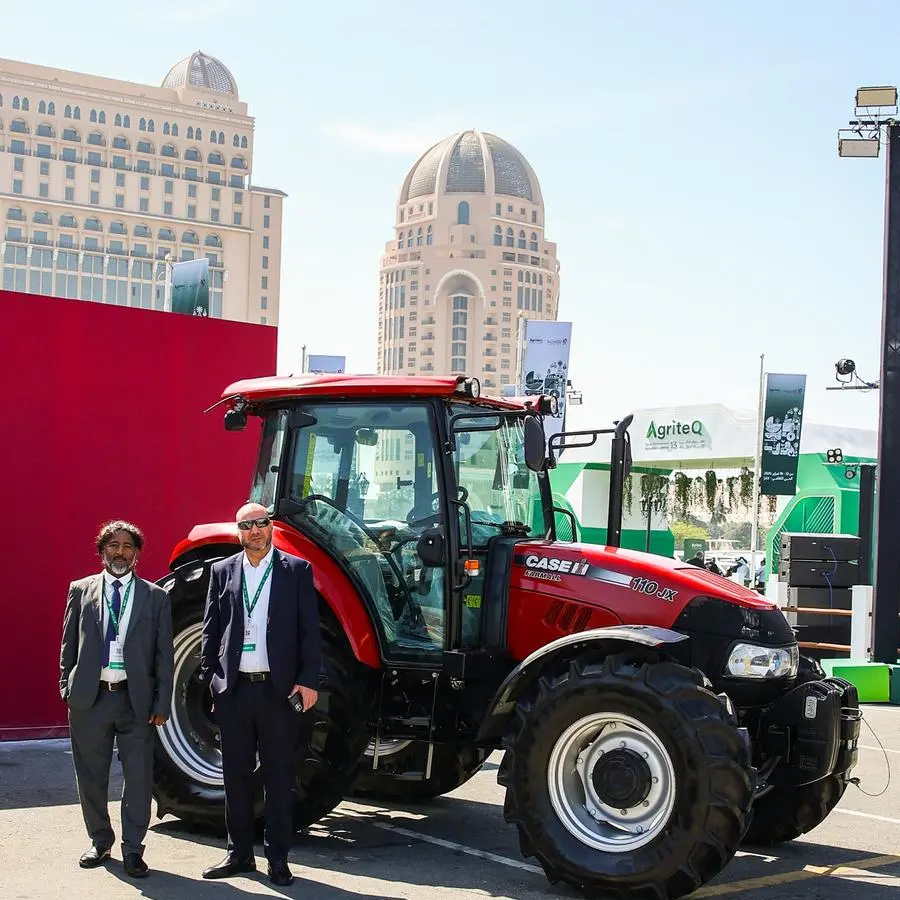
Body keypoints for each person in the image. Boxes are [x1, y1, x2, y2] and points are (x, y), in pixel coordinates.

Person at [199, 502, 321, 887]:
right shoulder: (222, 571)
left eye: (261, 523)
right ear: (238, 531)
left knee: (278, 775)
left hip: (278, 691)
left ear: (271, 527)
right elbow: (210, 629)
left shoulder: (296, 570)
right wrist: (213, 681)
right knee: (235, 776)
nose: (255, 530)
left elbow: (309, 632)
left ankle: (278, 858)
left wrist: (309, 680)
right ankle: (239, 855)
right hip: (235, 691)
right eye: (247, 525)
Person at [59, 520, 174, 877]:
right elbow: (68, 646)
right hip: (89, 700)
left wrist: (160, 703)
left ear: (137, 554)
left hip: (134, 702)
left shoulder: (156, 597)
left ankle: (133, 849)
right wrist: (67, 686)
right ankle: (100, 840)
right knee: (91, 776)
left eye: (127, 546)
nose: (120, 552)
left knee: (138, 779)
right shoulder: (80, 590)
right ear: (101, 550)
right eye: (113, 545)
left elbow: (163, 656)